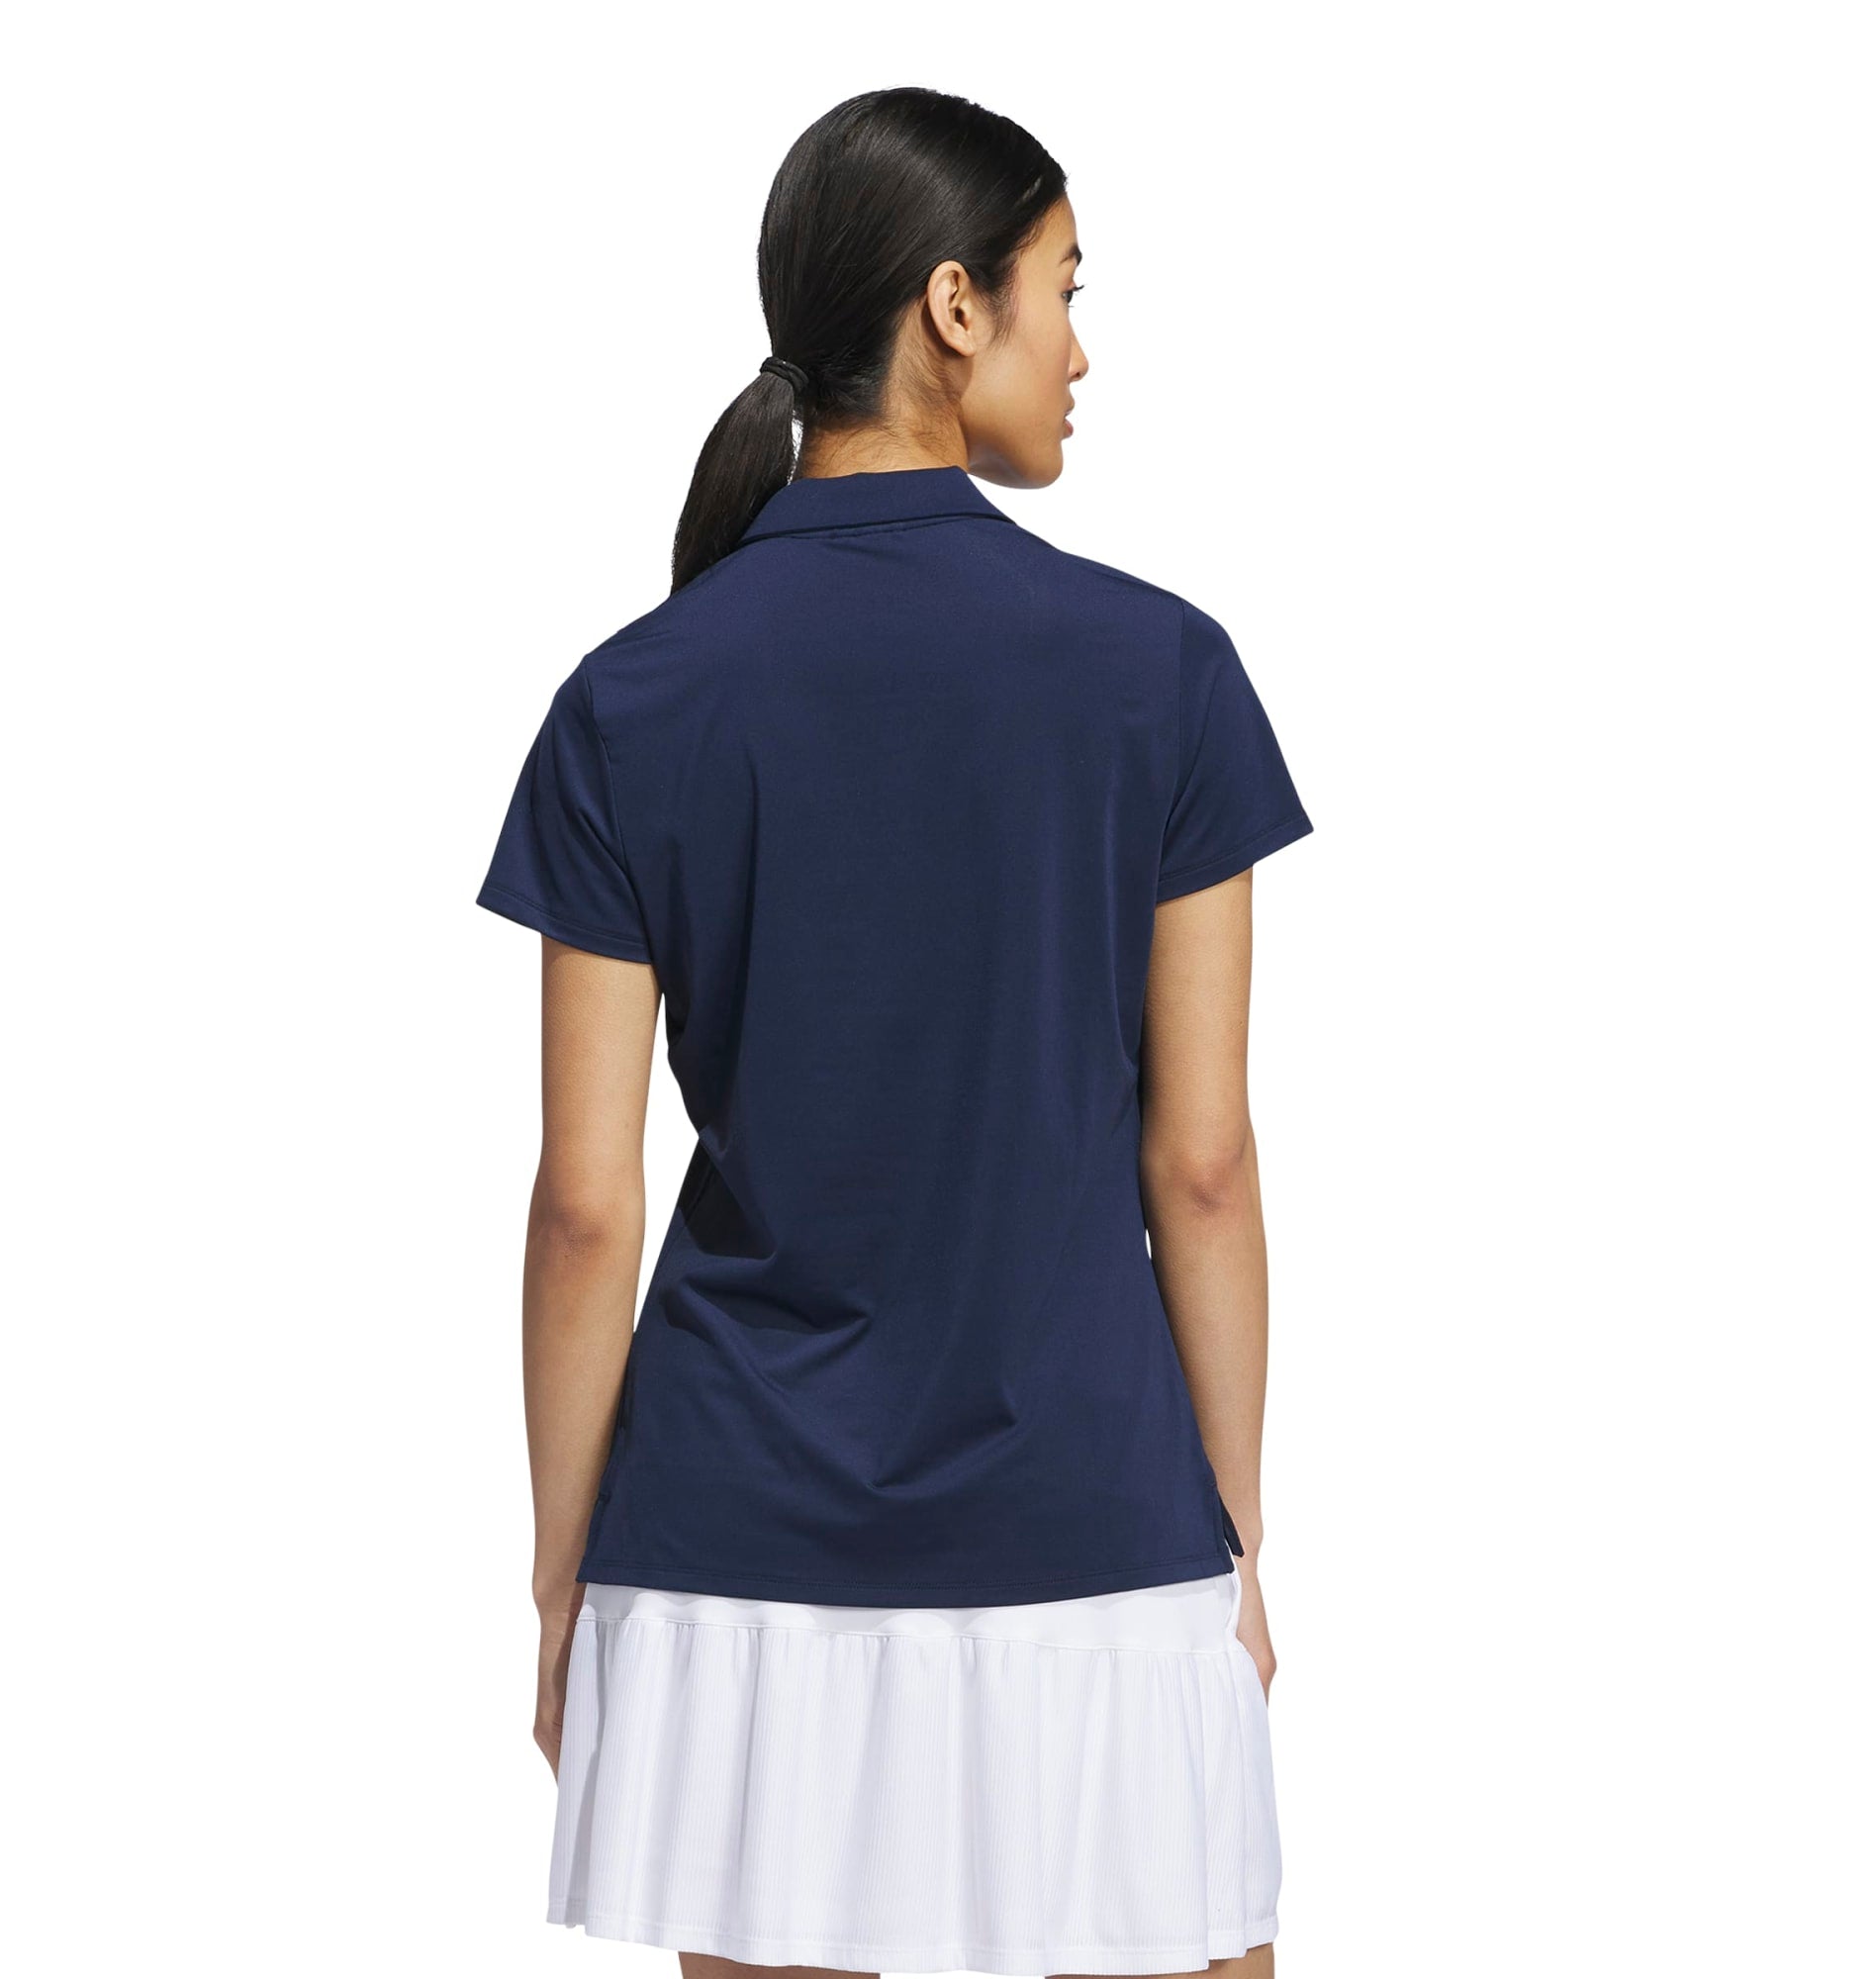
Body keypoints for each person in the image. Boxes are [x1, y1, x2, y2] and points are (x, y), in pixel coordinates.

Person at [477, 85, 1312, 1979]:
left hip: (730, 1551)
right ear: (953, 305)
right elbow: (1201, 1162)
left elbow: (586, 1205)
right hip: (1094, 1523)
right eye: (1064, 290)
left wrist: (560, 1579)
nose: (1081, 350)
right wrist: (1239, 1544)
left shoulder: (631, 697)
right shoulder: (1162, 672)